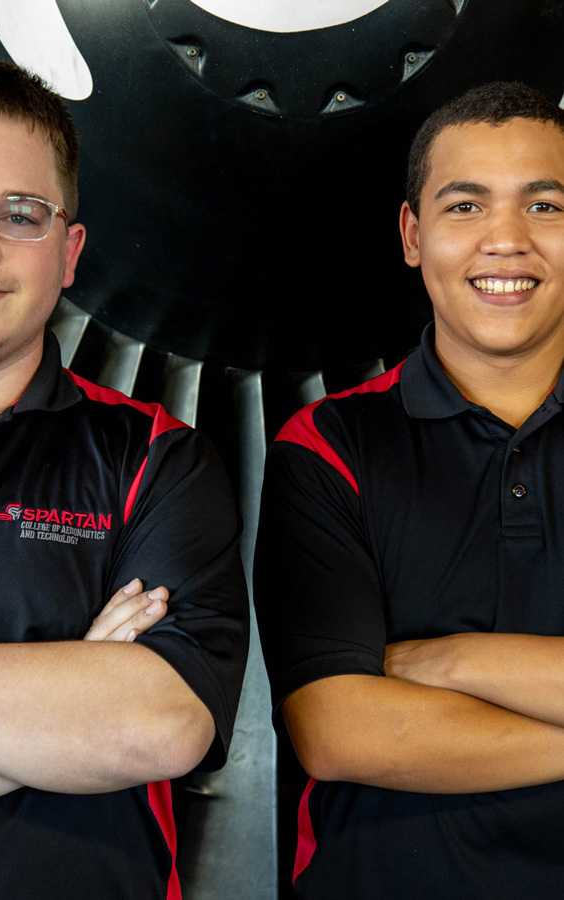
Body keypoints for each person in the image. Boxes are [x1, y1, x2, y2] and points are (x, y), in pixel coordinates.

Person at [0, 57, 248, 899]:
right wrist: (64, 714)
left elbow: (157, 729)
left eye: (22, 213)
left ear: (70, 252)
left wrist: (109, 719)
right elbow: (106, 729)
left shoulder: (158, 458)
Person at [255, 80, 564, 899]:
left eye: (545, 207)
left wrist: (448, 661)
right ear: (412, 234)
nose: (507, 241)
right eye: (465, 207)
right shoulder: (327, 446)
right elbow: (340, 731)